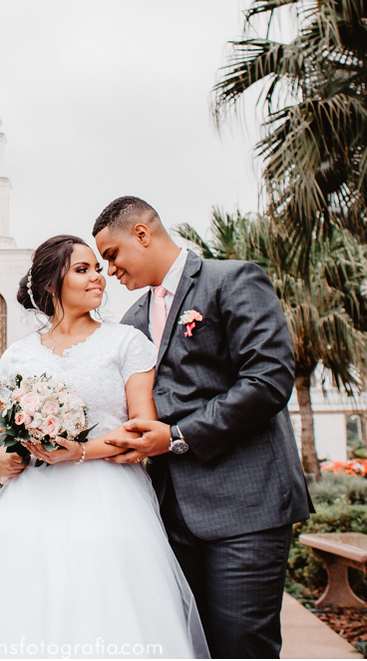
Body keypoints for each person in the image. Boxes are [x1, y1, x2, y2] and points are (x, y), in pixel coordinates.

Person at [0, 235, 208, 659]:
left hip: (109, 498)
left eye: (98, 267)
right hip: (25, 502)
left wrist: (78, 452)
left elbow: (143, 431)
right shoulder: (17, 356)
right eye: (83, 269)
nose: (99, 276)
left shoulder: (126, 343)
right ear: (50, 285)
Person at [91, 196, 313, 659]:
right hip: (170, 518)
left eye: (111, 256)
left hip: (246, 510)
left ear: (142, 234)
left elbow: (269, 379)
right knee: (190, 648)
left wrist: (176, 436)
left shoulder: (231, 280)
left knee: (242, 648)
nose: (108, 271)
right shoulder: (131, 323)